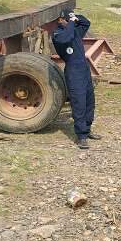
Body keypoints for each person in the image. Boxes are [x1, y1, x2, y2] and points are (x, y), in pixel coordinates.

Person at [52, 10, 101, 149]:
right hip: (73, 71)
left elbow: (86, 22)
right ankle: (81, 136)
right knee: (79, 103)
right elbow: (65, 38)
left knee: (89, 101)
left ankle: (87, 129)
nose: (69, 21)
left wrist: (76, 17)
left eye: (70, 19)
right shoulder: (58, 34)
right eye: (66, 19)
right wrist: (71, 24)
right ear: (60, 20)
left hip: (84, 70)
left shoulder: (74, 30)